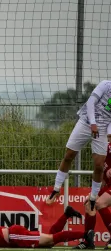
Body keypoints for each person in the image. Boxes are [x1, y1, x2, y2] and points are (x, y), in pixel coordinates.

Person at [46, 80, 111, 210]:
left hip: (102, 129)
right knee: (69, 155)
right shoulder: (106, 85)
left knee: (99, 166)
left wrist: (109, 133)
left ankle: (93, 197)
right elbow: (91, 103)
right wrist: (93, 123)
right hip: (86, 122)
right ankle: (57, 188)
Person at [0, 206, 91, 248]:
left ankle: (86, 235)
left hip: (14, 236)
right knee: (49, 242)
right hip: (14, 235)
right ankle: (66, 214)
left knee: (50, 239)